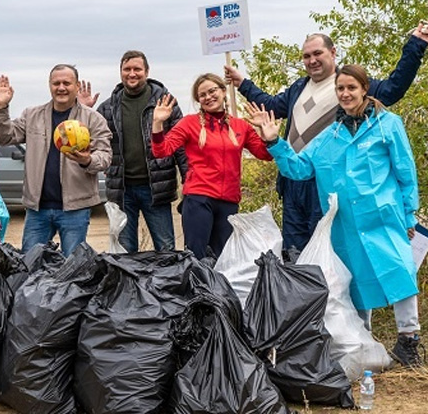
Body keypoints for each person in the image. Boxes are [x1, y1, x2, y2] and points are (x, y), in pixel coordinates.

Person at [255, 64, 421, 366]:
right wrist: (273, 142)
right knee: (354, 280)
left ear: (364, 89)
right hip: (345, 224)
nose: (345, 94)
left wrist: (409, 215)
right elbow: (298, 168)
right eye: (340, 89)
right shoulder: (328, 137)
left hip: (384, 216)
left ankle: (409, 340)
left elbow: (405, 172)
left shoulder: (388, 124)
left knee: (400, 270)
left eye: (351, 88)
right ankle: (363, 340)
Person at [224, 23, 428, 252]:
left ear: (333, 52)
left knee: (327, 252)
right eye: (306, 56)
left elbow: (393, 88)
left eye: (317, 53)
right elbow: (270, 105)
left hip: (326, 182)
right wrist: (243, 84)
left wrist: (416, 45)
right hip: (293, 179)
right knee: (294, 252)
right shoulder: (298, 88)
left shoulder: (347, 85)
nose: (312, 60)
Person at [0, 64, 112, 257]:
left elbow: (105, 157)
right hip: (38, 210)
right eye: (56, 83)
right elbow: (4, 137)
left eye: (67, 83)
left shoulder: (93, 119)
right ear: (49, 85)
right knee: (30, 265)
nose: (61, 87)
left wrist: (87, 160)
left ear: (76, 87)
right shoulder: (32, 115)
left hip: (75, 209)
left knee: (72, 268)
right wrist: (1, 107)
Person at [151, 74, 272, 260]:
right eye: (202, 95)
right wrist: (158, 123)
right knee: (196, 259)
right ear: (198, 100)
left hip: (229, 201)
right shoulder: (189, 123)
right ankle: (196, 290)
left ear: (223, 91)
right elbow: (162, 151)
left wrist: (267, 133)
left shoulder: (241, 126)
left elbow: (265, 154)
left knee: (224, 259)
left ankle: (218, 290)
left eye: (212, 91)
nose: (208, 97)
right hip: (199, 199)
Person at [91, 50, 187, 252]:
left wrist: (190, 183)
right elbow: (92, 143)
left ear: (147, 71)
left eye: (137, 69)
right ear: (120, 72)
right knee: (125, 251)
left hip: (156, 188)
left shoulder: (166, 104)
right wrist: (83, 111)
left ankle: (167, 284)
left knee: (166, 248)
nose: (132, 73)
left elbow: (180, 146)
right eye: (127, 69)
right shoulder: (107, 108)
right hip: (122, 190)